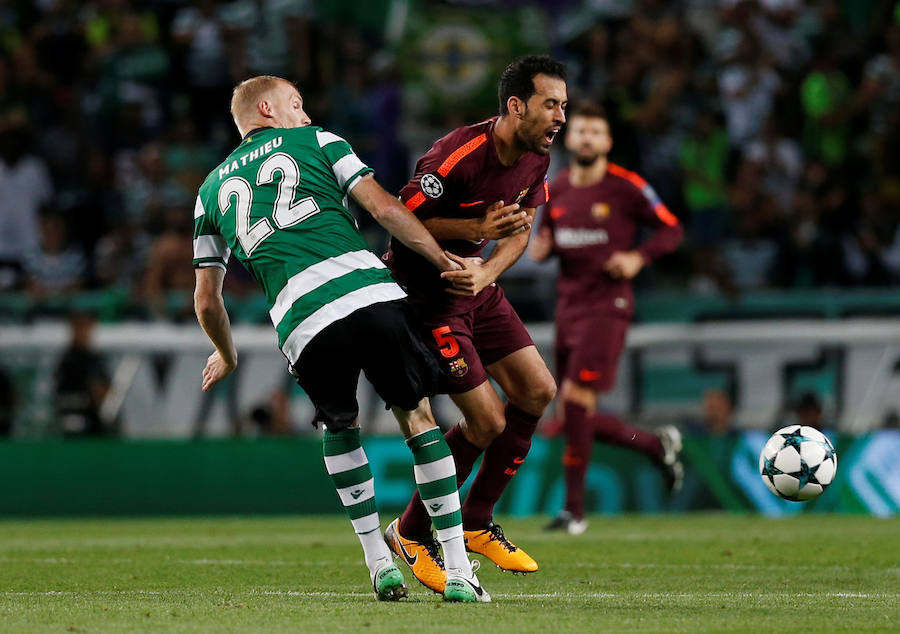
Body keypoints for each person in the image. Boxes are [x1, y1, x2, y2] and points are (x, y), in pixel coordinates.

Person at [192, 76, 488, 602]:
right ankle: (460, 571)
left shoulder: (209, 191)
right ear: (267, 108)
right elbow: (386, 210)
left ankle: (378, 562)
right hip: (367, 294)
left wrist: (226, 353)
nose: (304, 115)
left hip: (302, 321)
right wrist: (442, 259)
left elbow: (207, 300)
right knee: (417, 418)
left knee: (339, 425)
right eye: (296, 105)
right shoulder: (320, 141)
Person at [382, 56, 566, 591]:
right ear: (516, 105)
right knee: (486, 423)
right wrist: (472, 228)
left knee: (537, 390)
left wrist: (486, 269)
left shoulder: (538, 157)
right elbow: (399, 218)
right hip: (429, 297)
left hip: (477, 287)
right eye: (550, 104)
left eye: (563, 106)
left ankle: (475, 521)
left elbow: (518, 231)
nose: (560, 117)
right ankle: (411, 533)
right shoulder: (456, 155)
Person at [529, 101, 684, 535]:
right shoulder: (555, 188)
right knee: (573, 414)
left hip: (608, 306)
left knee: (576, 403)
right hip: (568, 306)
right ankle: (655, 446)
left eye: (595, 133)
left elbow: (672, 228)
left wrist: (638, 257)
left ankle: (573, 512)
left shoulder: (626, 186)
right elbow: (549, 239)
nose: (586, 139)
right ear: (569, 137)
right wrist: (544, 250)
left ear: (608, 142)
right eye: (580, 132)